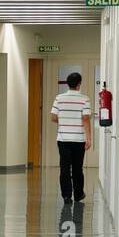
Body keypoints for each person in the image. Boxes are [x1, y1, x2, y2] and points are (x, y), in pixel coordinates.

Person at [51, 71, 92, 204]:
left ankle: (66, 196)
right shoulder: (85, 99)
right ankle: (78, 194)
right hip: (79, 140)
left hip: (63, 140)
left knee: (64, 168)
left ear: (67, 84)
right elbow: (86, 119)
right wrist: (89, 138)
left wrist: (64, 121)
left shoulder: (59, 98)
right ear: (79, 84)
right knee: (77, 168)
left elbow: (53, 117)